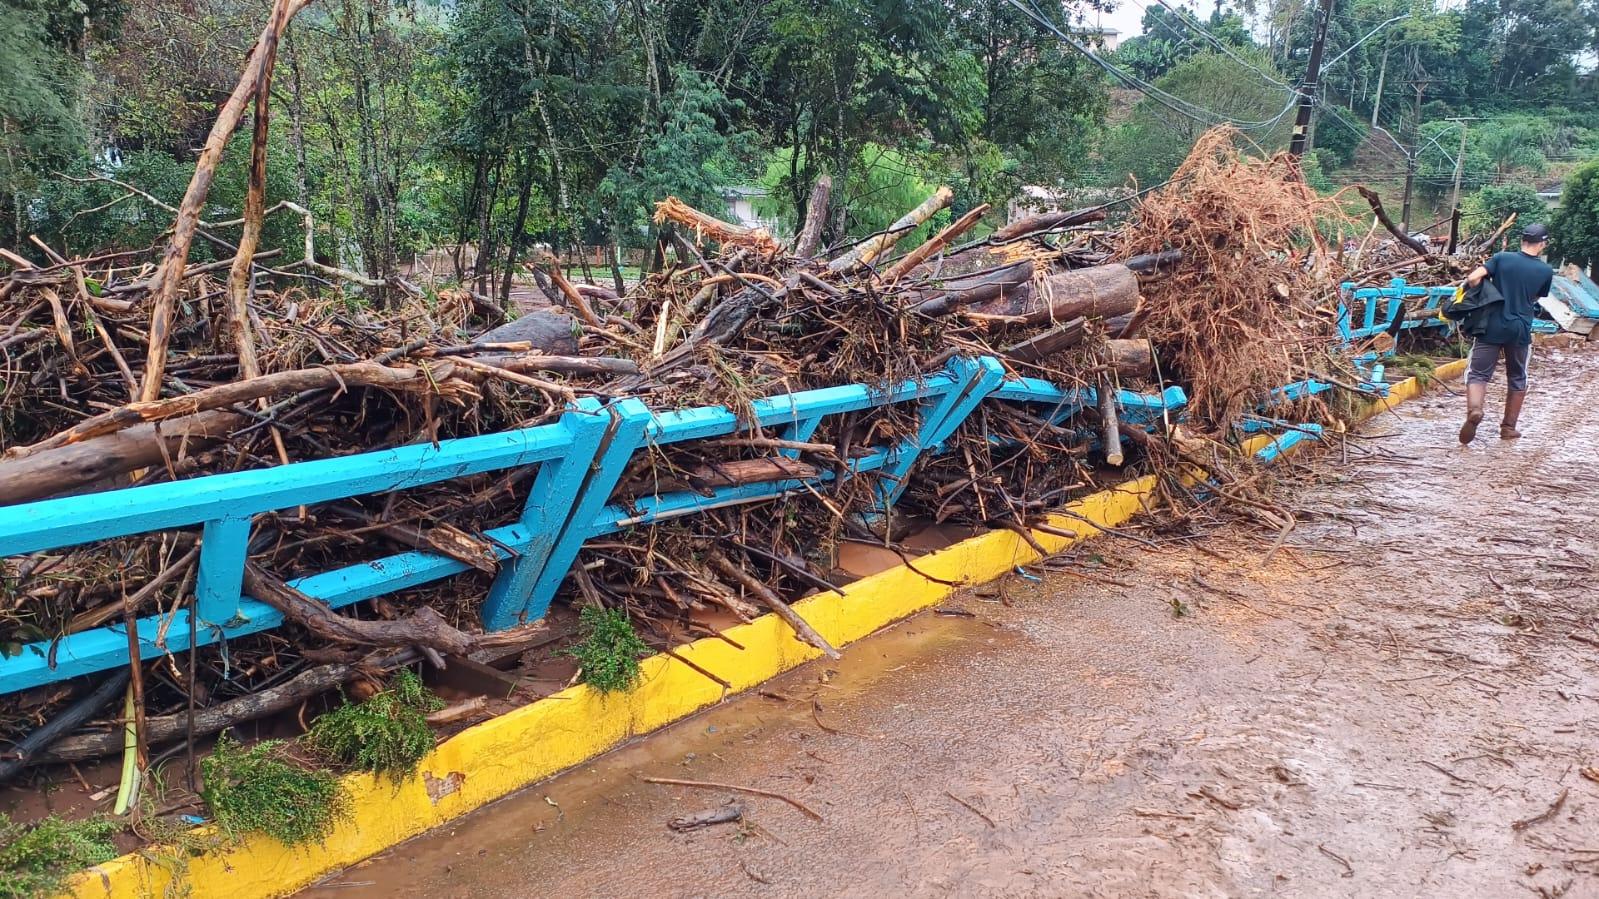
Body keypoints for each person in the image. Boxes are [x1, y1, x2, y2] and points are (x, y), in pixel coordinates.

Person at [1459, 223, 1553, 444]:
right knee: (1518, 376)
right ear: (1542, 244)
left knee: (1478, 374)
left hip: (1491, 324)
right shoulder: (1545, 271)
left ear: (1522, 241)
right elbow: (1537, 297)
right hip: (1519, 328)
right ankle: (1508, 428)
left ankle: (1475, 410)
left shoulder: (1501, 258)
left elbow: (1474, 278)